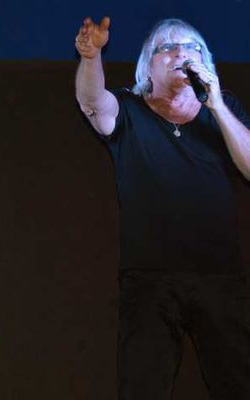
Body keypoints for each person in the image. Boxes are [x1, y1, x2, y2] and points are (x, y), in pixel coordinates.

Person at [75, 17, 250, 399]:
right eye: (168, 47)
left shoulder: (223, 110)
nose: (182, 53)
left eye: (192, 48)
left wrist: (216, 103)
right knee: (142, 387)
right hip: (150, 278)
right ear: (147, 65)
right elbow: (92, 104)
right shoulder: (129, 109)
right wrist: (92, 58)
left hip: (219, 276)